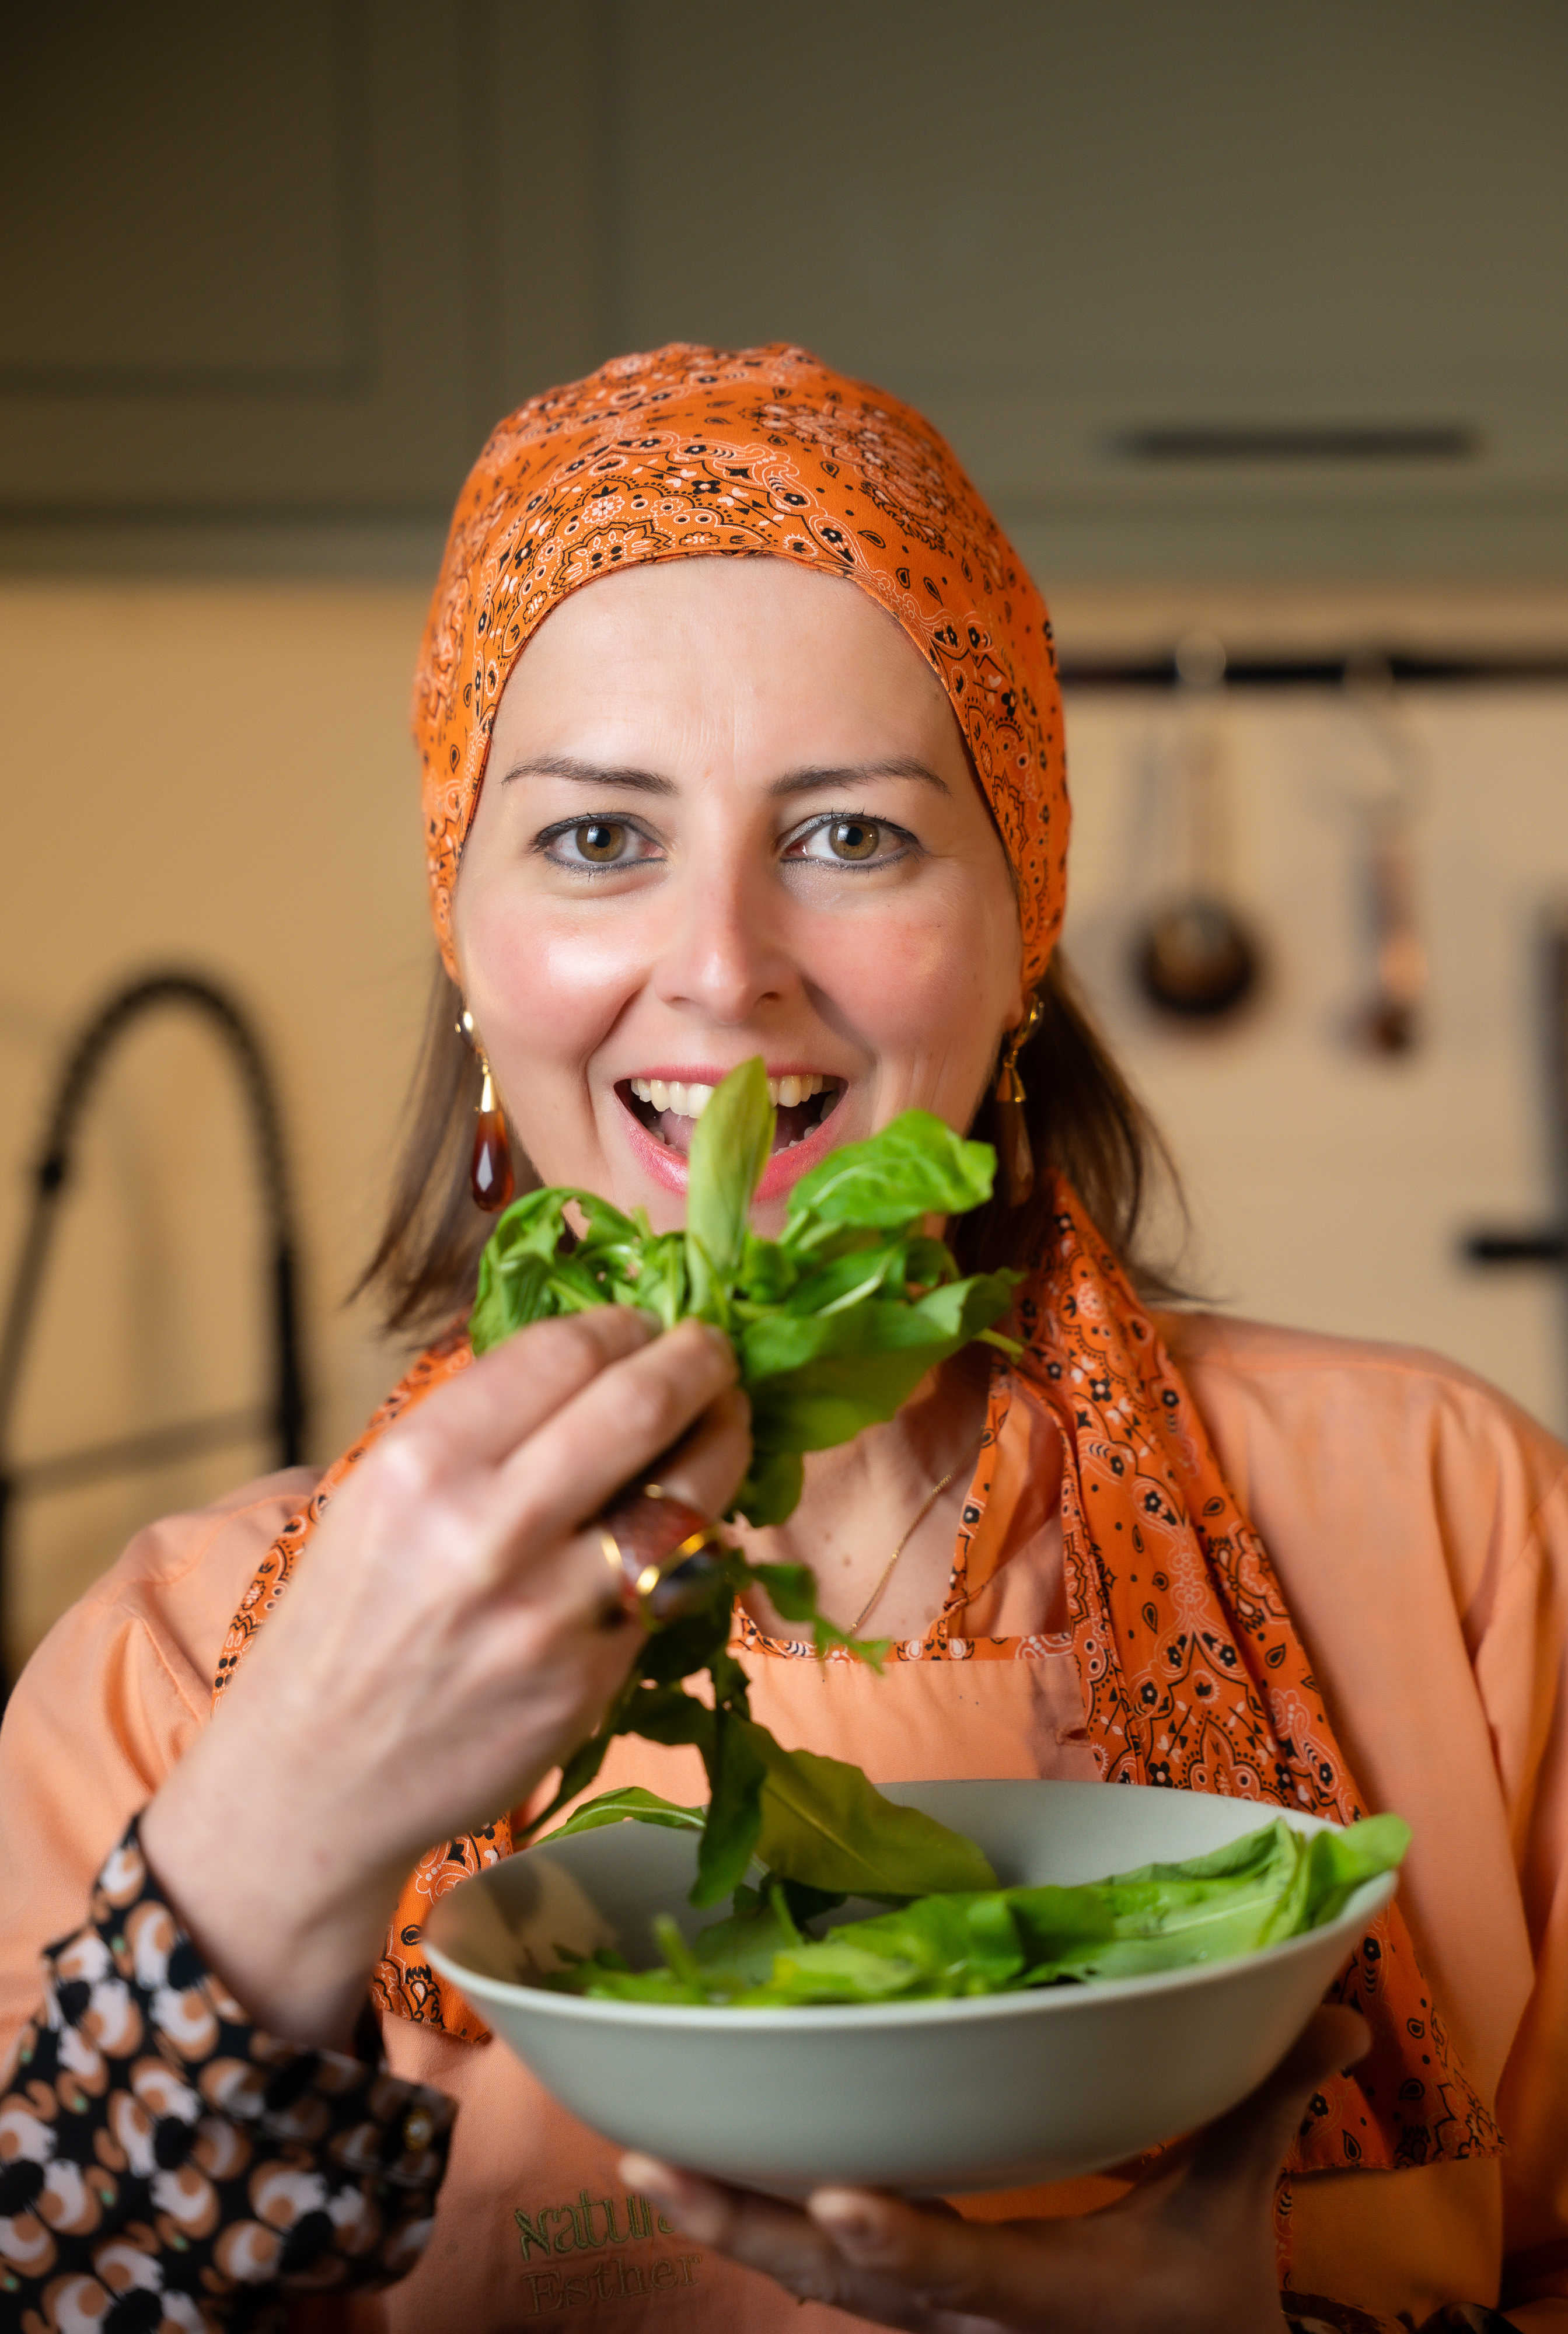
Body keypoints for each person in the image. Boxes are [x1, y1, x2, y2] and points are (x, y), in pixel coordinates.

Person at [1, 344, 1564, 2334]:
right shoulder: (168, 1678)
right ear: (469, 949)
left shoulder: (1454, 1534)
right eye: (595, 839)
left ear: (1024, 936)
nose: (726, 968)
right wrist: (278, 1818)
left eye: (850, 836)